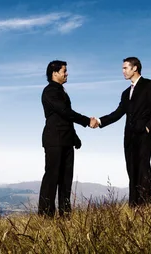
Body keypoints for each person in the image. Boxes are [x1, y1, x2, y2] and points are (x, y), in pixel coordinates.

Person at [94, 57, 151, 207]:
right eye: (123, 68)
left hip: (144, 135)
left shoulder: (149, 85)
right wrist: (99, 121)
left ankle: (146, 204)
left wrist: (148, 127)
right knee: (131, 168)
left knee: (143, 167)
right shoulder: (126, 92)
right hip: (129, 136)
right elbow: (118, 113)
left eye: (125, 68)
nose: (123, 71)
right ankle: (134, 205)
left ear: (135, 68)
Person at [38, 60, 98, 217]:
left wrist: (74, 138)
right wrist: (86, 121)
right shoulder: (50, 91)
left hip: (65, 140)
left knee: (66, 179)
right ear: (55, 73)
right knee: (52, 178)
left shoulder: (61, 91)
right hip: (54, 141)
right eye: (64, 70)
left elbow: (65, 119)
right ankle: (46, 215)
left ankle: (65, 214)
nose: (66, 73)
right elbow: (64, 112)